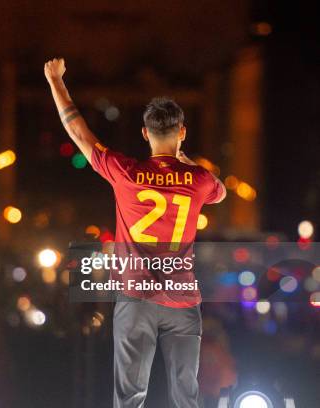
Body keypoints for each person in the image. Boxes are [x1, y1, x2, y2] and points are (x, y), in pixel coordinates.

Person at [44, 58, 226, 408]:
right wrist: (187, 163)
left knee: (129, 398)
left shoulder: (124, 172)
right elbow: (220, 191)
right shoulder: (199, 181)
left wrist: (56, 81)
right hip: (183, 299)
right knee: (187, 398)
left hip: (136, 298)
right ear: (182, 131)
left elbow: (78, 131)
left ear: (145, 134)